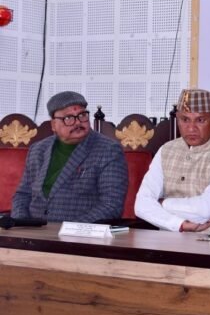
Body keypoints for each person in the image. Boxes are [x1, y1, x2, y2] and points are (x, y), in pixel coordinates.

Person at [135, 89, 210, 233]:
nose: (191, 128)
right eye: (185, 120)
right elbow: (141, 205)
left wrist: (161, 203)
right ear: (177, 119)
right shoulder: (166, 150)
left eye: (200, 120)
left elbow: (205, 210)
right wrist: (179, 224)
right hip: (167, 242)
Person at [11, 91, 127, 222]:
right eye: (68, 118)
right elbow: (23, 194)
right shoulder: (38, 150)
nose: (77, 122)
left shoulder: (108, 150)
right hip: (33, 230)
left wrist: (70, 229)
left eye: (82, 115)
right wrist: (21, 224)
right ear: (53, 125)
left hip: (78, 231)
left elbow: (111, 205)